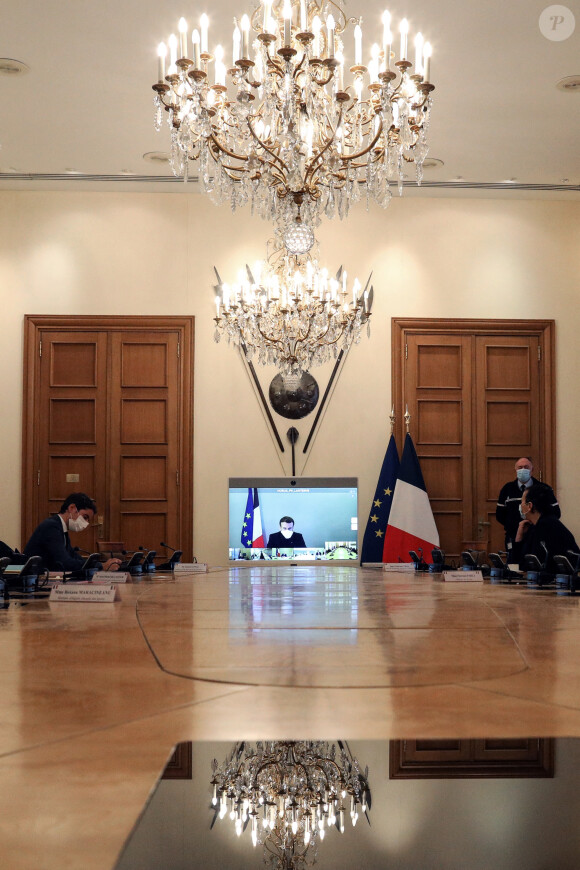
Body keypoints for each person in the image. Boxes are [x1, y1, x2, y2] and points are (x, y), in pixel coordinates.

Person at [24, 492, 121, 572]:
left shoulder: (62, 528)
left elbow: (73, 557)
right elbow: (64, 562)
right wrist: (101, 566)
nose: (86, 523)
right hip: (35, 583)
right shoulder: (51, 526)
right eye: (85, 517)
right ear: (72, 508)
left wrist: (99, 564)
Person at [496, 457, 560, 553]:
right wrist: (514, 526)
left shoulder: (544, 489)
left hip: (537, 536)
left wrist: (536, 525)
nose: (523, 470)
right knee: (514, 563)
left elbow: (555, 513)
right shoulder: (507, 489)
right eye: (520, 467)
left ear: (532, 470)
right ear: (515, 470)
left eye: (526, 467)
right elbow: (500, 515)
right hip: (513, 536)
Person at [511, 482, 578, 573]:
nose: (520, 506)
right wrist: (519, 536)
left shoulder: (547, 525)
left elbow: (531, 565)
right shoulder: (534, 525)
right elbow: (519, 561)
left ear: (529, 506)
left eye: (522, 502)